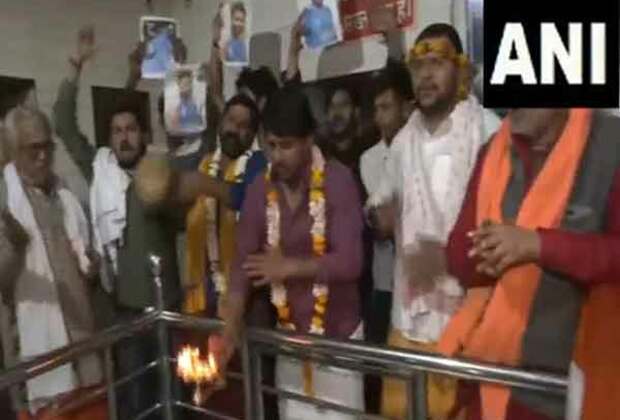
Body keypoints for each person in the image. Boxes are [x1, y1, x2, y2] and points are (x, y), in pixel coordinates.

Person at [441, 108, 620, 420]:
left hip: (574, 389)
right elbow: (458, 256)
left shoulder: (610, 145)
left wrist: (539, 246)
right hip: (488, 377)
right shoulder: (494, 150)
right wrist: (486, 252)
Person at [367, 23, 500, 419]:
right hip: (406, 323)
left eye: (437, 63)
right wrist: (380, 218)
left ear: (461, 70)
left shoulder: (489, 132)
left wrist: (447, 256)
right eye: (418, 65)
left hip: (467, 326)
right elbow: (379, 207)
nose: (425, 75)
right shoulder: (404, 140)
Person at [210, 86, 365, 419]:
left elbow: (351, 262)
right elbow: (242, 263)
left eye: (287, 145)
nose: (276, 156)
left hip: (338, 340)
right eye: (271, 145)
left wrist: (289, 268)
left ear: (309, 141)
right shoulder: (259, 189)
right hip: (290, 342)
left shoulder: (338, 181)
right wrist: (229, 326)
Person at [53, 31, 182, 420]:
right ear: (110, 138)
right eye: (117, 131)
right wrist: (76, 67)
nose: (124, 137)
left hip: (168, 306)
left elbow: (178, 220)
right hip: (124, 310)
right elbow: (63, 123)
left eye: (131, 130)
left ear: (143, 135)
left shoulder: (159, 171)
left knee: (172, 391)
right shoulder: (101, 173)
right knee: (134, 396)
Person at [0, 107, 106, 420]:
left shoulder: (65, 196)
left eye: (48, 146)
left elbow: (82, 264)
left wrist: (92, 266)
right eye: (34, 149)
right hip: (39, 361)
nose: (43, 156)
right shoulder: (6, 205)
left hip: (84, 350)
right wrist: (14, 246)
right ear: (13, 152)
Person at [361, 60, 414, 345]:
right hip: (385, 280)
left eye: (386, 108)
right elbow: (377, 213)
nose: (379, 118)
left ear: (407, 107)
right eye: (376, 109)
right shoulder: (369, 159)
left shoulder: (427, 149)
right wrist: (377, 218)